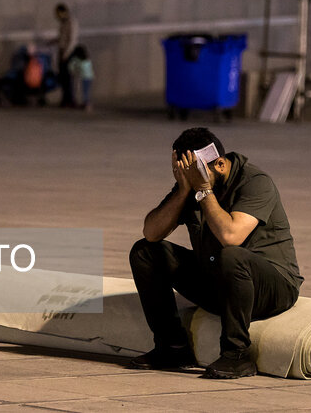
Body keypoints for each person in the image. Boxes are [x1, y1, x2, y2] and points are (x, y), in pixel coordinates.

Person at [128, 127, 302, 379]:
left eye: (193, 172)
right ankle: (172, 348)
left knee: (230, 254)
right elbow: (152, 232)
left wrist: (203, 190)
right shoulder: (191, 183)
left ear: (219, 164)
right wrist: (183, 189)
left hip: (271, 287)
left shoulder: (255, 182)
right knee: (145, 251)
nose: (187, 178)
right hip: (221, 281)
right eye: (180, 172)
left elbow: (231, 236)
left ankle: (237, 355)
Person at [51, 3, 79, 107]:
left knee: (68, 77)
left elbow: (72, 40)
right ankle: (65, 99)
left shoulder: (71, 22)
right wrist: (52, 41)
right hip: (61, 50)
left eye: (58, 14)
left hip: (68, 52)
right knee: (62, 77)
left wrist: (66, 54)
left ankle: (71, 99)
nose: (57, 16)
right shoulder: (63, 23)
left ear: (63, 12)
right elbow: (61, 38)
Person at [68, 45, 95, 111]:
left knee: (82, 91)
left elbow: (70, 67)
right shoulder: (87, 58)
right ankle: (87, 103)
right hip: (90, 77)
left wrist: (73, 72)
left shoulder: (76, 59)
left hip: (83, 76)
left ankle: (86, 104)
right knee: (87, 91)